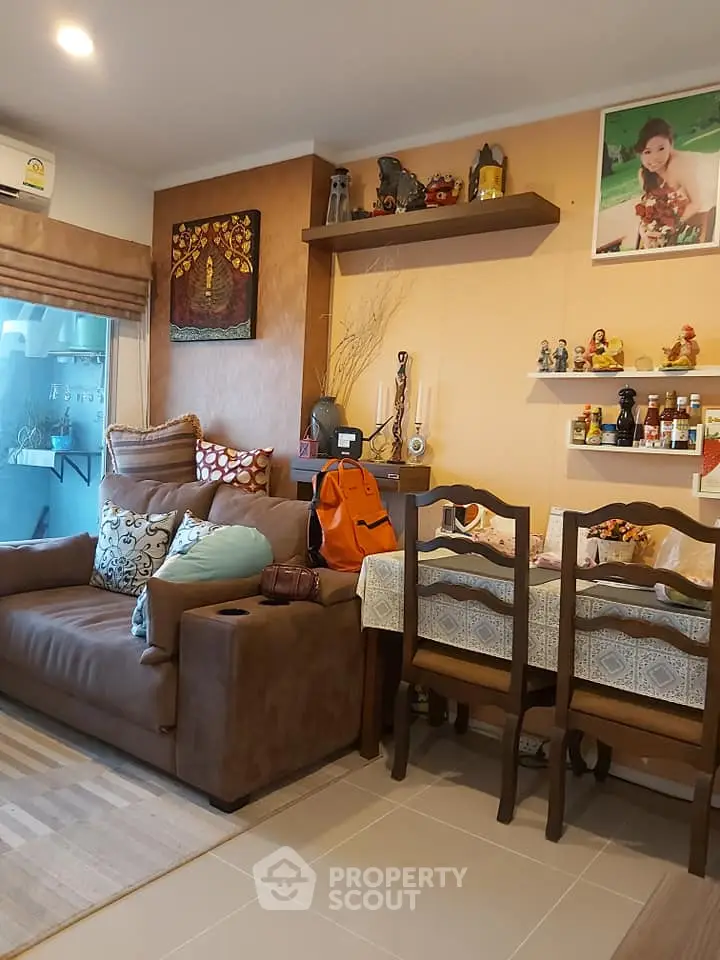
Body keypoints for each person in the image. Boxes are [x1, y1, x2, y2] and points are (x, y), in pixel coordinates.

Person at [634, 118, 717, 247]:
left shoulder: (680, 165)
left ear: (671, 145)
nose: (654, 157)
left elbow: (696, 203)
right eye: (647, 152)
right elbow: (649, 208)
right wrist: (646, 232)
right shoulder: (643, 174)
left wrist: (668, 228)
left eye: (661, 149)